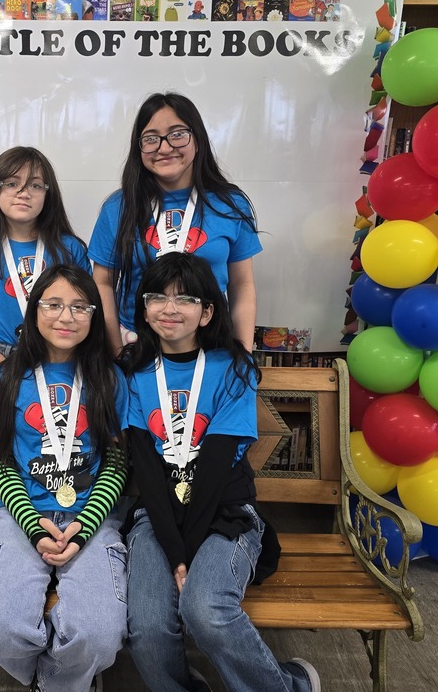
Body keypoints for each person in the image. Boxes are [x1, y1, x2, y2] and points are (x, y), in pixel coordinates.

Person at [120, 252, 319, 692]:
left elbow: (214, 468)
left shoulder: (232, 368)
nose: (169, 308)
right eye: (157, 298)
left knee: (205, 609)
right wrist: (175, 552)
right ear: (144, 308)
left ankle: (291, 686)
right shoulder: (133, 371)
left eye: (185, 299)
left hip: (225, 512)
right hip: (158, 516)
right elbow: (147, 471)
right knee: (147, 626)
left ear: (207, 312)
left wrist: (187, 552)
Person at [0, 264, 130, 692]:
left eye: (80, 307)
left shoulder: (109, 378)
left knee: (99, 634)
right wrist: (34, 527)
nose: (66, 316)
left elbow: (116, 463)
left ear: (94, 316)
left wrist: (84, 526)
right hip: (23, 516)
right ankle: (64, 680)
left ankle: (52, 682)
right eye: (53, 304)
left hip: (92, 517)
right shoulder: (7, 377)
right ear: (34, 311)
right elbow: (1, 463)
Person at [88, 92, 261, 356]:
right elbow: (103, 284)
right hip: (136, 346)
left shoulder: (230, 204)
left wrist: (243, 355)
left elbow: (242, 285)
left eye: (177, 134)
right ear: (139, 148)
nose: (165, 148)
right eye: (151, 138)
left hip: (210, 345)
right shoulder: (119, 207)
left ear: (198, 139)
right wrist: (116, 353)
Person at [0, 146, 91, 361]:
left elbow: (87, 311)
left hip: (59, 356)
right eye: (12, 184)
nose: (24, 193)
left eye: (35, 185)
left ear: (48, 194)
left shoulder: (70, 248)